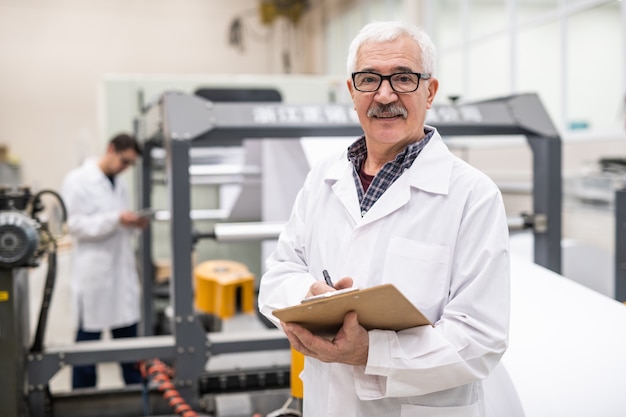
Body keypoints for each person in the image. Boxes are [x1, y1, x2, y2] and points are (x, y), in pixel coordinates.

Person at [258, 21, 510, 416]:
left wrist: (371, 353)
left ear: (430, 91)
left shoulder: (472, 195)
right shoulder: (323, 178)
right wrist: (307, 298)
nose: (385, 94)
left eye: (404, 78)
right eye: (369, 79)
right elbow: (278, 275)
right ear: (351, 91)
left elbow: (481, 338)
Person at [61, 133, 148, 389]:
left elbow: (119, 222)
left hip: (121, 275)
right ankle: (82, 401)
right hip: (94, 276)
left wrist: (133, 223)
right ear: (110, 149)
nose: (125, 168)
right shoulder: (77, 180)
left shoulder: (119, 183)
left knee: (131, 353)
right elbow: (74, 226)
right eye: (124, 161)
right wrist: (115, 219)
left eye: (130, 164)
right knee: (87, 352)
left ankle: (137, 400)